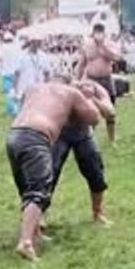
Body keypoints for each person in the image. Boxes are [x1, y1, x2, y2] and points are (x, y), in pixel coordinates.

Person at [6, 81, 103, 261]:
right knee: (39, 190)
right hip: (37, 137)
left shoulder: (34, 87)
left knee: (26, 188)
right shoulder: (71, 93)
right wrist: (87, 99)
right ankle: (25, 242)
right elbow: (94, 118)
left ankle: (34, 233)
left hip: (14, 134)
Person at [50, 80, 115, 226]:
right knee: (49, 174)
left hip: (84, 134)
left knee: (96, 174)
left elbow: (110, 113)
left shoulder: (99, 90)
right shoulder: (66, 88)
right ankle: (39, 217)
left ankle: (98, 213)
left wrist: (91, 98)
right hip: (61, 133)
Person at [77, 23, 120, 144]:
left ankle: (112, 138)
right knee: (90, 109)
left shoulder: (109, 44)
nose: (98, 35)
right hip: (91, 80)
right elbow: (81, 64)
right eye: (96, 32)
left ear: (104, 33)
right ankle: (90, 139)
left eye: (101, 32)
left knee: (110, 111)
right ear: (93, 33)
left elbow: (116, 58)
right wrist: (79, 81)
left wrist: (103, 47)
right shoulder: (87, 46)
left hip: (106, 79)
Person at [0, 32, 22, 117]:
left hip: (7, 72)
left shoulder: (2, 47)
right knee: (16, 91)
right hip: (17, 72)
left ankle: (13, 110)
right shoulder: (17, 47)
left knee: (9, 92)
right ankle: (13, 109)